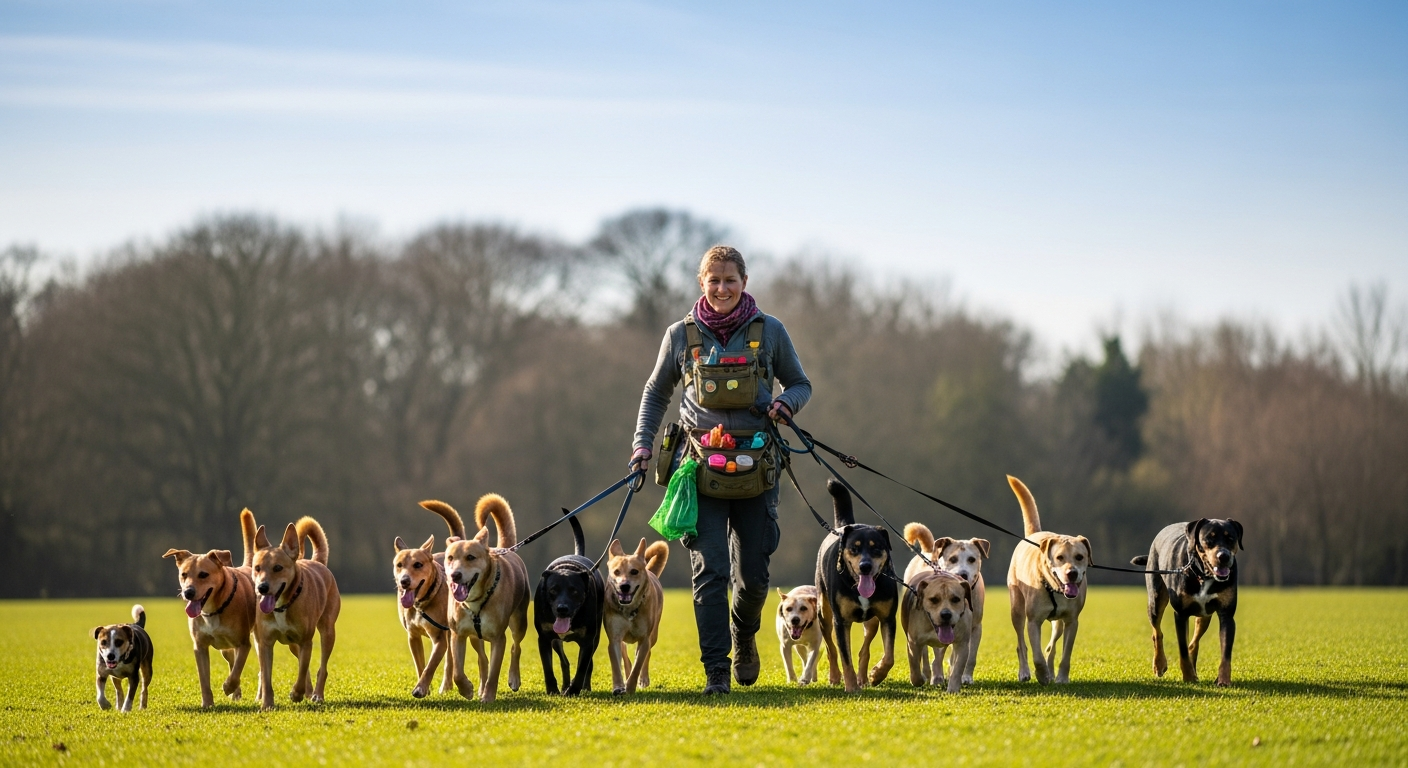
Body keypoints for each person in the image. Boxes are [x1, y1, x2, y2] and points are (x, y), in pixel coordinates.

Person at [630, 245, 812, 694]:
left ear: (744, 283)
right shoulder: (679, 335)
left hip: (759, 470)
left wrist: (786, 403)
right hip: (698, 473)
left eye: (730, 280)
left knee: (754, 578)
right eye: (714, 280)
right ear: (702, 283)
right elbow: (655, 394)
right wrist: (642, 445)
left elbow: (800, 383)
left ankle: (743, 634)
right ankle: (716, 672)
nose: (722, 288)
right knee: (709, 573)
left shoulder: (771, 332)